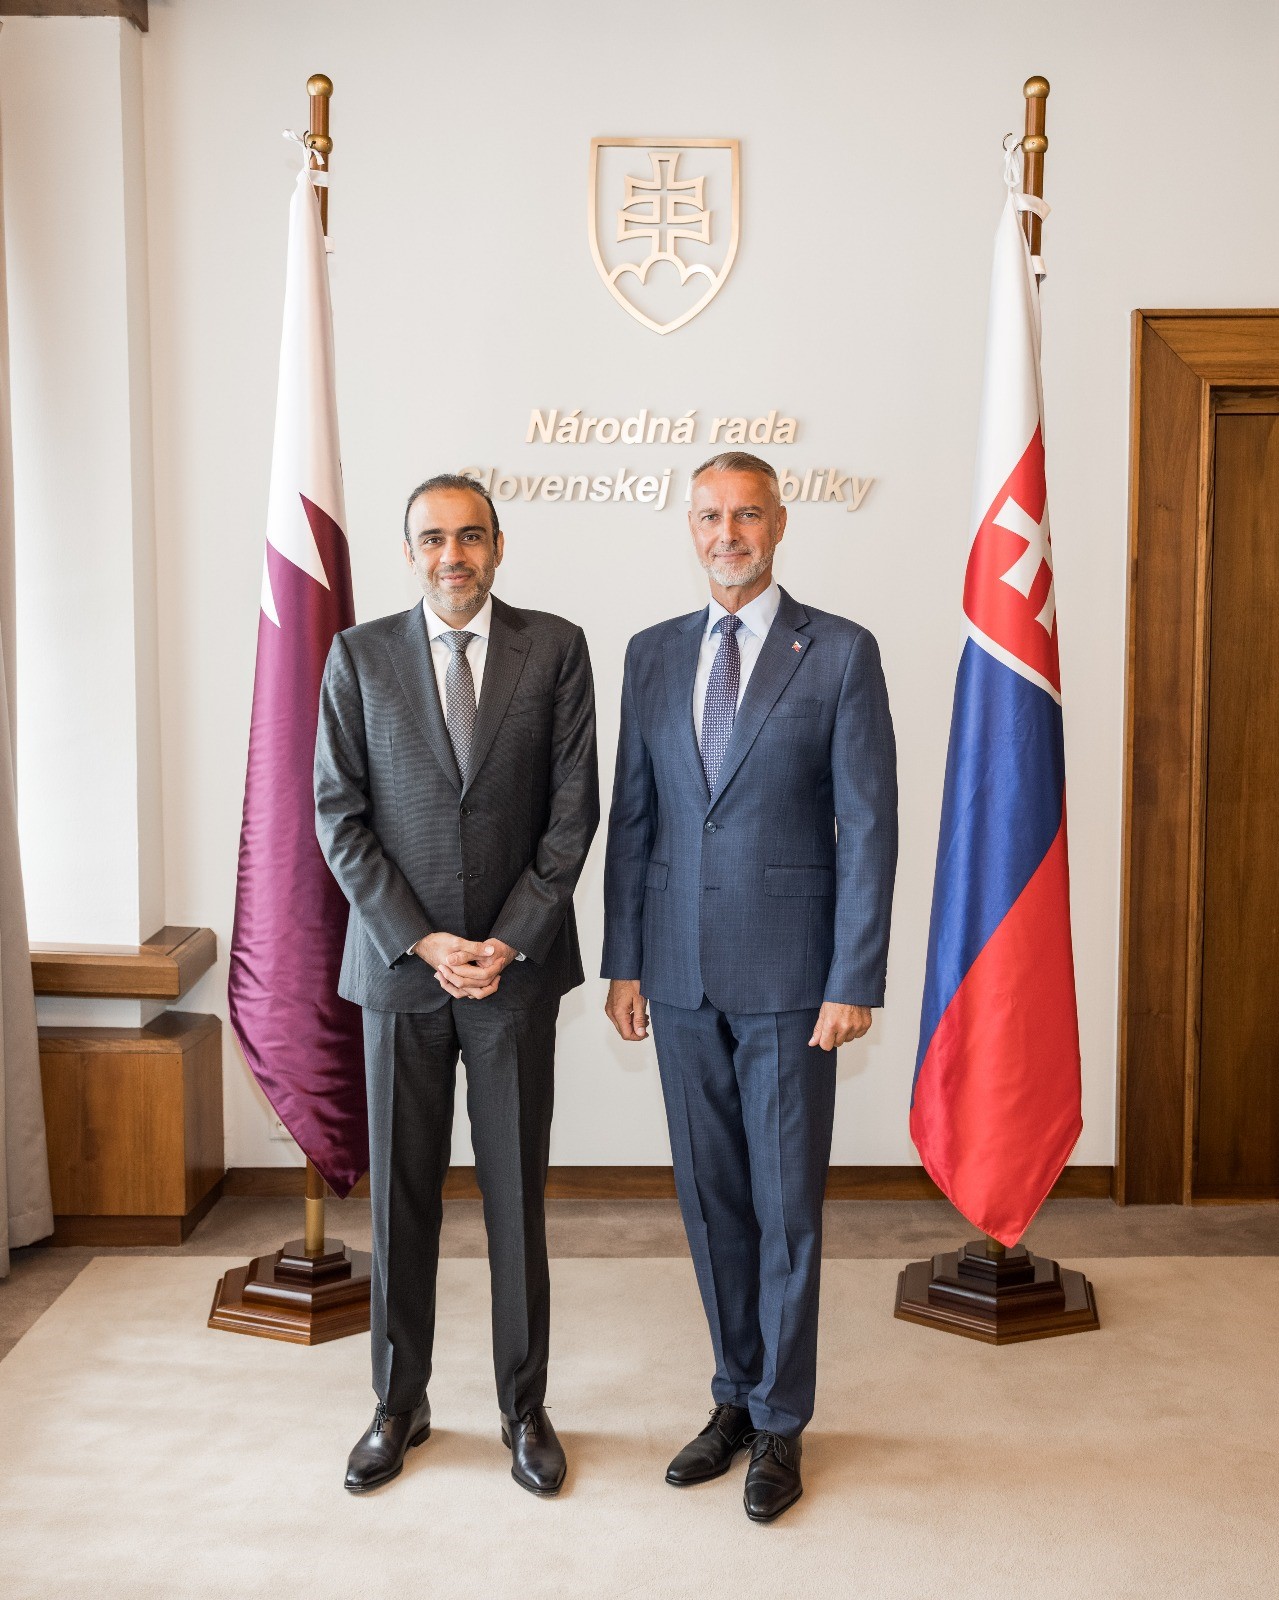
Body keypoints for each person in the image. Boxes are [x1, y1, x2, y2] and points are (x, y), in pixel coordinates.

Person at [602, 450, 897, 1523]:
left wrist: (852, 975)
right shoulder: (650, 653)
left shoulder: (841, 651)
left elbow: (868, 825)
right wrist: (623, 960)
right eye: (709, 516)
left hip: (791, 978)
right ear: (690, 527)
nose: (727, 534)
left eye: (747, 515)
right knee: (710, 1198)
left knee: (783, 1209)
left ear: (779, 524)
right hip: (676, 973)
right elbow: (634, 818)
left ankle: (780, 1422)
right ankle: (731, 1394)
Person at [315, 473, 598, 1497]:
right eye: (432, 538)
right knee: (402, 1201)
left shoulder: (554, 648)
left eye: (470, 536)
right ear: (409, 552)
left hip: (514, 977)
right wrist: (423, 940)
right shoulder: (357, 656)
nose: (452, 555)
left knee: (515, 1199)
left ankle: (524, 1407)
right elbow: (338, 815)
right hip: (401, 974)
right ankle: (398, 1403)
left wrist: (508, 940)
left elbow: (571, 814)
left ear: (498, 544)